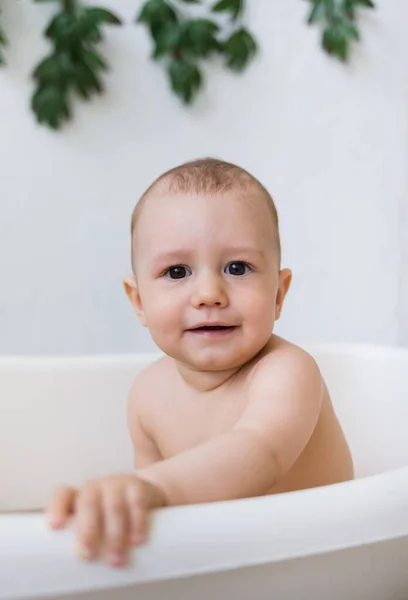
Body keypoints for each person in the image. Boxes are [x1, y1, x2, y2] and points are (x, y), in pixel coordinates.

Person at [47, 158, 354, 567]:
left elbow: (259, 452)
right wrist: (127, 501)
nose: (209, 293)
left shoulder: (287, 371)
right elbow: (159, 531)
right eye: (177, 271)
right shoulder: (147, 395)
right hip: (223, 571)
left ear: (279, 294)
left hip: (319, 569)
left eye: (237, 267)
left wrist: (150, 486)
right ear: (138, 301)